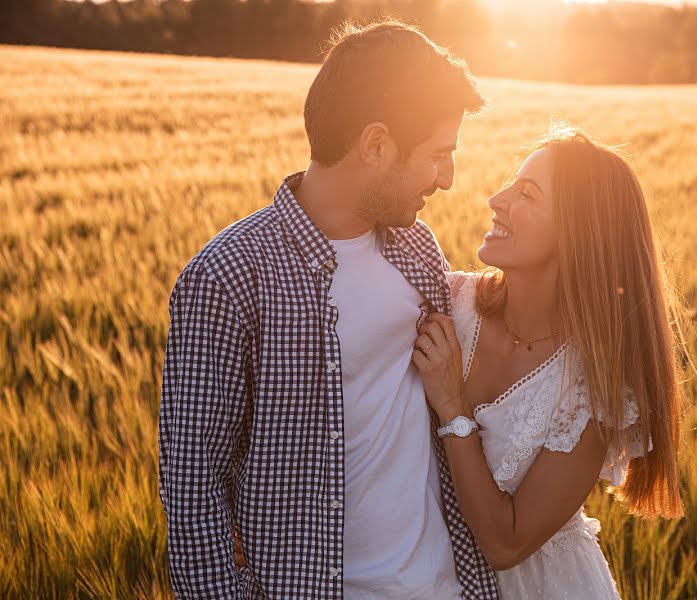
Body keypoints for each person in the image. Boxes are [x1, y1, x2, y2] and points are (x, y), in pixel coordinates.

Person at [157, 19, 500, 599]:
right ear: (375, 145)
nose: (448, 179)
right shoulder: (229, 277)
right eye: (438, 155)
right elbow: (193, 485)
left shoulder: (416, 247)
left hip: (450, 585)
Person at [412, 124, 686, 599]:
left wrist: (453, 408)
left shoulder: (594, 384)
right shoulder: (447, 301)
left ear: (577, 233)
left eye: (527, 194)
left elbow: (506, 543)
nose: (496, 200)